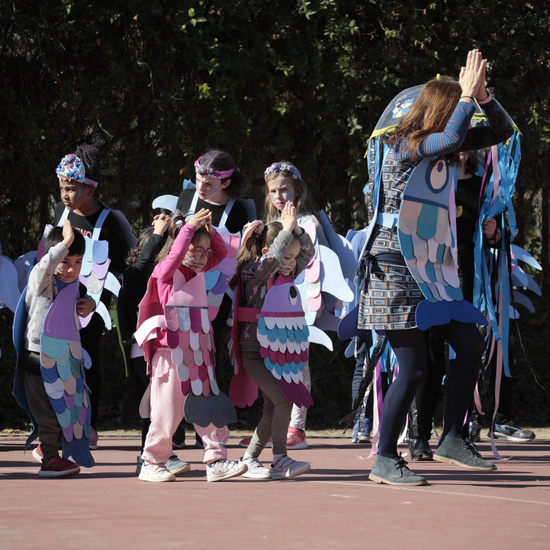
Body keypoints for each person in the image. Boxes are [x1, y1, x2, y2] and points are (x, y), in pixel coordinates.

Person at [357, 49, 515, 486]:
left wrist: (482, 96)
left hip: (432, 268)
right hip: (392, 267)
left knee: (470, 342)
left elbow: (501, 131)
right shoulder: (404, 144)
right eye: (456, 110)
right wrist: (465, 98)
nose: (462, 124)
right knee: (413, 367)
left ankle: (452, 437)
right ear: (440, 112)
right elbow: (445, 141)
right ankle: (386, 458)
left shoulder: (447, 142)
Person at [135, 209, 247, 483]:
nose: (200, 255)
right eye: (194, 249)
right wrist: (188, 228)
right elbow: (173, 257)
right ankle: (152, 461)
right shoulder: (164, 273)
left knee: (208, 406)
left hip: (199, 355)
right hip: (169, 355)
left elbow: (220, 254)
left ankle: (216, 459)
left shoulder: (202, 268)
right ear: (179, 245)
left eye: (203, 250)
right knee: (166, 411)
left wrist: (209, 228)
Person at [53, 144, 134, 448]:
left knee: (86, 364)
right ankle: (59, 424)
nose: (65, 194)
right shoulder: (61, 213)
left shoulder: (112, 220)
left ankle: (90, 425)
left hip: (90, 309)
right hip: (59, 305)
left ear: (90, 189)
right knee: (59, 364)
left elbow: (130, 268)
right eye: (62, 187)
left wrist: (99, 303)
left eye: (71, 188)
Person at [228, 202, 314, 479]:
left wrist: (297, 229)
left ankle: (249, 459)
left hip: (278, 352)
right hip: (255, 352)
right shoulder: (256, 273)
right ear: (268, 251)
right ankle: (280, 459)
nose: (291, 263)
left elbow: (308, 253)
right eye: (286, 256)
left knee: (272, 406)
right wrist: (286, 231)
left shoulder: (286, 271)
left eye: (293, 258)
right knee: (282, 401)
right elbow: (275, 258)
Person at [174, 150, 252, 448]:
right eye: (198, 182)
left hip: (218, 297)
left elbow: (245, 257)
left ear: (227, 182)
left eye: (209, 185)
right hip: (181, 291)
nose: (201, 189)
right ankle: (175, 425)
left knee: (207, 357)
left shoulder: (240, 211)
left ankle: (203, 425)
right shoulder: (186, 201)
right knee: (178, 355)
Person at [16, 221, 95, 476]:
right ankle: (50, 460)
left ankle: (46, 448)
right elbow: (47, 265)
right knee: (49, 414)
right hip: (37, 358)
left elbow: (77, 311)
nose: (70, 268)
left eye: (77, 262)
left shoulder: (74, 287)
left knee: (66, 409)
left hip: (64, 358)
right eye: (65, 260)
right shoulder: (40, 278)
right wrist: (65, 242)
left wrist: (90, 303)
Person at [117, 214, 191, 476]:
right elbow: (143, 264)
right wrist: (159, 234)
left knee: (152, 405)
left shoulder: (165, 280)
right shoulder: (134, 277)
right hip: (142, 350)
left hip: (162, 349)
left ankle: (151, 455)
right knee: (158, 403)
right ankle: (157, 455)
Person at [262, 161, 329, 450]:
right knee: (271, 366)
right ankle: (272, 426)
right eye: (273, 191)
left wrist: (294, 229)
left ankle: (297, 428)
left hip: (297, 304)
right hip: (269, 307)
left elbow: (313, 260)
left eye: (284, 189)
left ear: (297, 190)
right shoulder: (265, 225)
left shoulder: (310, 223)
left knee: (297, 364)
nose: (278, 196)